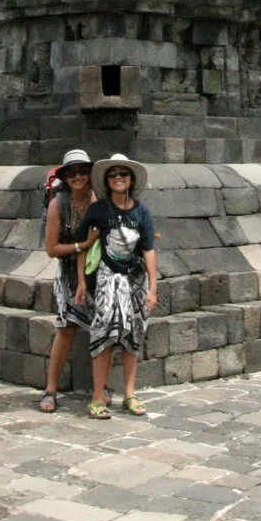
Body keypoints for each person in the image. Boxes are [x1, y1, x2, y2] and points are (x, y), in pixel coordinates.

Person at [72, 153, 157, 419]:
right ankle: (98, 396)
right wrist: (82, 282)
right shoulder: (98, 211)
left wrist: (154, 288)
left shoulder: (142, 212)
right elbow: (83, 247)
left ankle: (130, 393)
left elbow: (149, 250)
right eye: (113, 175)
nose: (119, 178)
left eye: (123, 174)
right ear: (107, 182)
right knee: (103, 336)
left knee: (133, 336)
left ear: (131, 180)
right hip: (107, 279)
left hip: (135, 280)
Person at [37, 149, 96, 413]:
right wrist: (81, 245)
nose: (78, 176)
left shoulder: (98, 200)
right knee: (66, 328)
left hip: (98, 270)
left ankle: (100, 386)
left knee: (104, 328)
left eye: (82, 171)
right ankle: (50, 388)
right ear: (65, 177)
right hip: (68, 270)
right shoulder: (58, 204)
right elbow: (51, 249)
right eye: (72, 172)